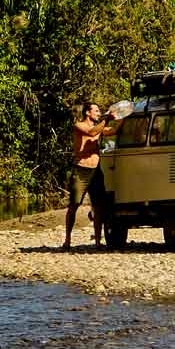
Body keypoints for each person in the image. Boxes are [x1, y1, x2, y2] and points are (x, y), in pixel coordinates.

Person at [64, 102, 120, 249]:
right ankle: (67, 239)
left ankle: (97, 242)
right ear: (88, 113)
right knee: (74, 205)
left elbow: (113, 130)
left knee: (98, 207)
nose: (98, 112)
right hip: (81, 170)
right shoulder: (79, 125)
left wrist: (122, 116)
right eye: (96, 110)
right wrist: (106, 119)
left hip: (96, 170)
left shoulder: (99, 127)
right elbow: (92, 132)